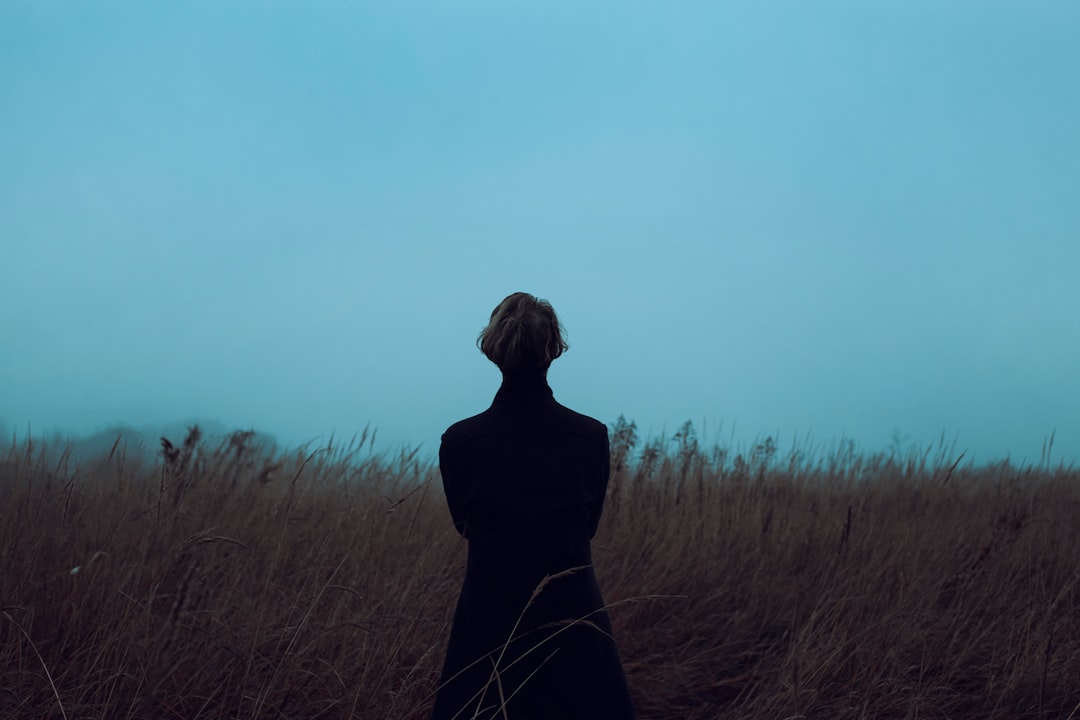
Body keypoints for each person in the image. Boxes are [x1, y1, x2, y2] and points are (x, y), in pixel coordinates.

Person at [430, 292, 636, 720]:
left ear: (493, 349)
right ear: (553, 347)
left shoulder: (459, 442)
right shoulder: (591, 438)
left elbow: (464, 525)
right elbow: (589, 526)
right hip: (575, 622)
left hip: (486, 627)